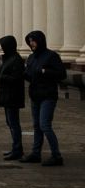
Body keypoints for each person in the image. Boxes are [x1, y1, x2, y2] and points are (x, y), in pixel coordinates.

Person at [21, 30, 67, 166]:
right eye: (29, 41)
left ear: (40, 41)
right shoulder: (31, 57)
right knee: (36, 126)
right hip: (35, 95)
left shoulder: (51, 56)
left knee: (44, 125)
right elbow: (31, 76)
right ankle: (36, 153)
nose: (31, 43)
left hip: (48, 96)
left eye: (33, 40)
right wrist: (23, 74)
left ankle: (56, 155)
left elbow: (62, 74)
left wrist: (44, 71)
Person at [0, 36, 25, 160]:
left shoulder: (16, 60)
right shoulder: (9, 58)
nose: (2, 48)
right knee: (10, 123)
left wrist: (4, 77)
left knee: (14, 123)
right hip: (7, 96)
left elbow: (17, 78)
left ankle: (17, 149)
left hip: (12, 96)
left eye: (3, 46)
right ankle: (15, 148)